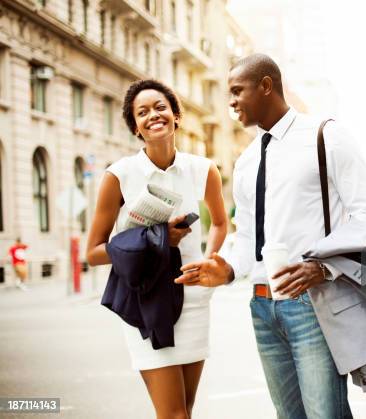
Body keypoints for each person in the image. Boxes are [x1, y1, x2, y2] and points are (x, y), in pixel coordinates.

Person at [175, 54, 366, 419]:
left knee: (325, 415)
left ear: (266, 86)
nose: (230, 102)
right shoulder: (247, 161)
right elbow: (248, 239)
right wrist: (225, 270)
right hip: (262, 307)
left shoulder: (326, 136)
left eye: (237, 91)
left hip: (312, 303)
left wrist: (323, 268)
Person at [86, 79, 228, 419]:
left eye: (160, 107)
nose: (153, 115)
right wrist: (157, 238)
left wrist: (208, 262)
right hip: (145, 303)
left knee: (186, 410)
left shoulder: (204, 169)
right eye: (142, 112)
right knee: (174, 415)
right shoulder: (118, 175)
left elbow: (221, 223)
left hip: (192, 300)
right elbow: (92, 252)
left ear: (176, 116)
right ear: (135, 126)